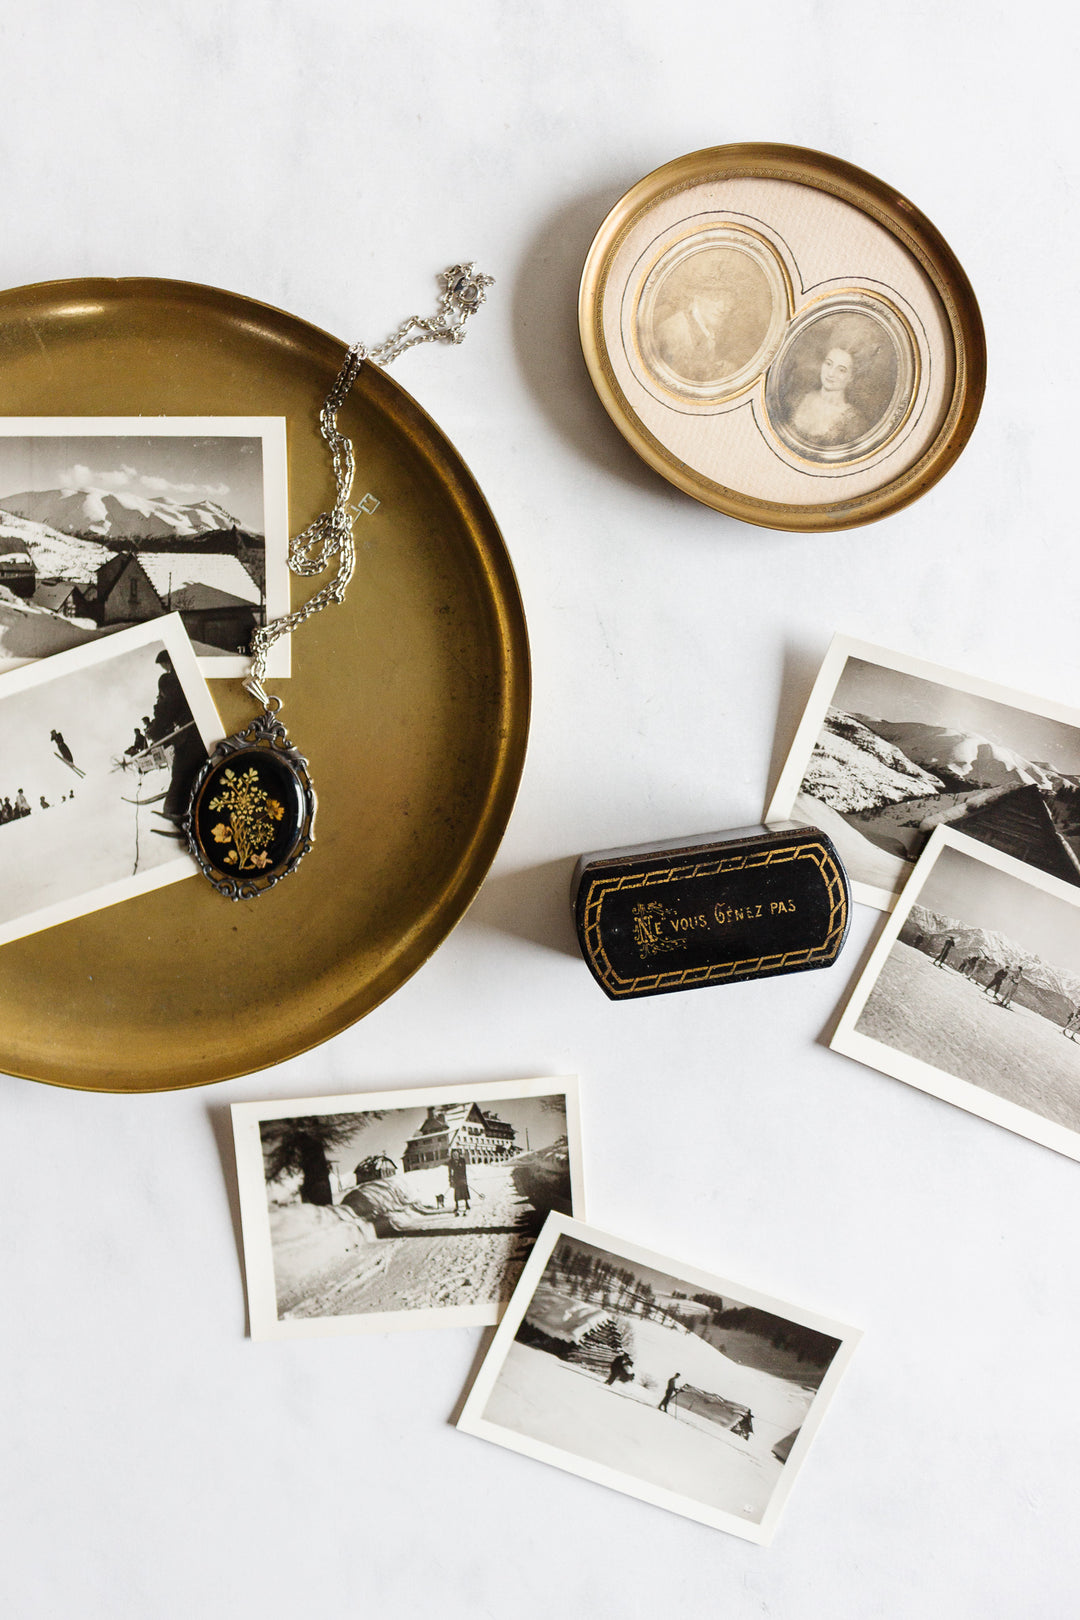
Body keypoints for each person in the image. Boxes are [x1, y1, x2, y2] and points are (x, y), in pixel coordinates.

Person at [654, 285, 737, 385]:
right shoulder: (675, 330)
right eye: (715, 298)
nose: (722, 308)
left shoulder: (707, 328)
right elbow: (676, 382)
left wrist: (717, 368)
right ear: (697, 297)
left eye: (728, 302)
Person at [789, 347, 869, 448]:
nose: (831, 373)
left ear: (851, 377)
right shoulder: (799, 398)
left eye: (841, 370)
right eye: (828, 364)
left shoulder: (854, 420)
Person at [448, 1147, 471, 1216]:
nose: (455, 1155)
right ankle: (457, 1206)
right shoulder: (450, 1162)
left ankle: (467, 1204)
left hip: (462, 1178)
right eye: (453, 1154)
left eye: (456, 1154)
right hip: (455, 1179)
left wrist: (465, 1179)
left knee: (464, 1192)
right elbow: (450, 1171)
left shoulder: (462, 1160)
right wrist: (450, 1180)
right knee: (457, 1194)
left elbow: (464, 1170)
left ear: (458, 1154)